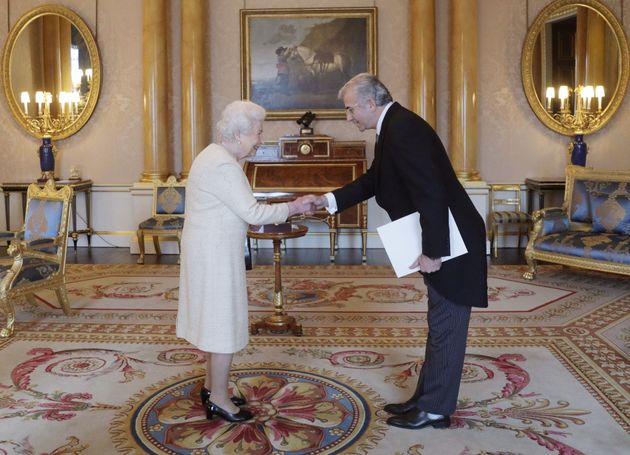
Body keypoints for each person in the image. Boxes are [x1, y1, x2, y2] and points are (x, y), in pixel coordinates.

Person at [311, 73, 488, 430]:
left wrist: (434, 252)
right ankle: (425, 400)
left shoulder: (403, 129)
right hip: (445, 235)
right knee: (439, 323)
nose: (348, 117)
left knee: (447, 323)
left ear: (369, 104)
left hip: (452, 242)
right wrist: (327, 200)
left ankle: (436, 409)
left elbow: (431, 192)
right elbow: (373, 181)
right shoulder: (393, 127)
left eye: (349, 110)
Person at [177, 100, 315, 423]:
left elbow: (241, 204)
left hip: (209, 250)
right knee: (222, 323)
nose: (260, 140)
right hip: (214, 256)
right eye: (257, 133)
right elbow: (252, 213)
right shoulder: (224, 165)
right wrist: (295, 207)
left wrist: (284, 205)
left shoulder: (214, 156)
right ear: (239, 134)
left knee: (214, 321)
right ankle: (220, 400)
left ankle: (213, 388)